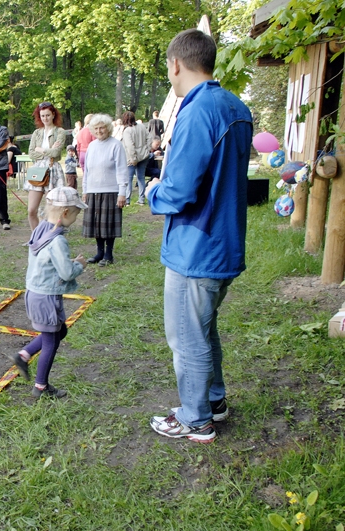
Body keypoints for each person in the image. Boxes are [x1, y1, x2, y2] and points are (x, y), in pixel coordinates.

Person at [147, 29, 252, 444]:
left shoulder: (197, 110)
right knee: (204, 329)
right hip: (224, 242)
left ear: (176, 64)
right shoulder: (234, 104)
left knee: (187, 336)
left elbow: (179, 190)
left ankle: (195, 419)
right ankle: (215, 401)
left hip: (197, 246)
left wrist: (153, 190)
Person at [8, 187, 87, 398]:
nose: (76, 218)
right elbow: (67, 272)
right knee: (52, 340)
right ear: (65, 213)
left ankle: (24, 355)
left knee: (60, 332)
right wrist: (79, 265)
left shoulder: (41, 229)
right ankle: (41, 387)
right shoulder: (58, 240)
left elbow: (48, 262)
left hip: (34, 293)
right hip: (47, 297)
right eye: (76, 214)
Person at [81, 114, 127, 267]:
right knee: (96, 224)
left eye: (102, 127)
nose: (99, 131)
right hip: (93, 190)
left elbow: (122, 170)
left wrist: (122, 193)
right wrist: (85, 190)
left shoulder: (116, 145)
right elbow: (86, 170)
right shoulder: (92, 146)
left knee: (107, 224)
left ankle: (109, 254)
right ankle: (99, 252)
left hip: (111, 190)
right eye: (96, 128)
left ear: (108, 128)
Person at [25, 102, 67, 230]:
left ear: (53, 114)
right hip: (38, 170)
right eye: (42, 116)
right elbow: (31, 152)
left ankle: (50, 236)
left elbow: (56, 152)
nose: (45, 118)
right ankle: (35, 237)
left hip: (53, 169)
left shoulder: (60, 132)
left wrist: (41, 150)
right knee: (31, 210)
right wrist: (47, 151)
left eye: (48, 115)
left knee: (52, 208)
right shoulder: (37, 133)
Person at [121, 111, 151, 206]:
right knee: (141, 177)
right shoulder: (142, 126)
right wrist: (147, 149)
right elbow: (149, 138)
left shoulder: (127, 131)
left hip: (131, 158)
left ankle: (127, 200)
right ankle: (141, 199)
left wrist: (133, 159)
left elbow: (130, 146)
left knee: (128, 179)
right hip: (144, 156)